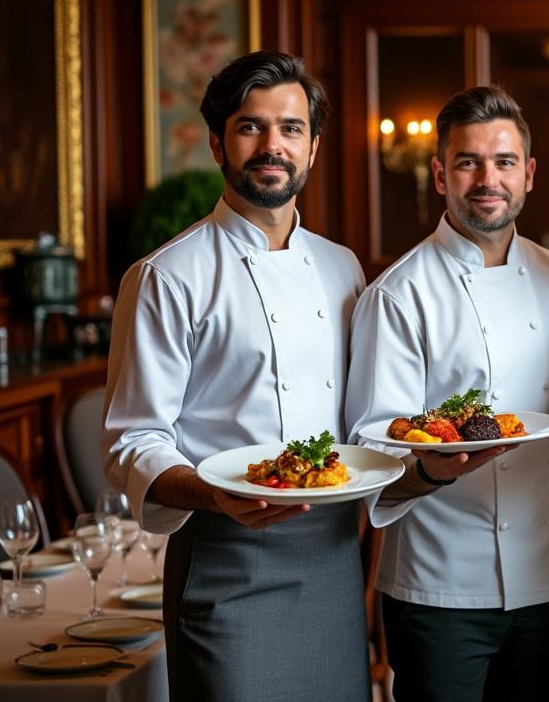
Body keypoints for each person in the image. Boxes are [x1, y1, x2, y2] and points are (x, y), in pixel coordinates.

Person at [102, 51, 369, 701]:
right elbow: (132, 441)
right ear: (218, 144)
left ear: (313, 147)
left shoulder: (344, 269)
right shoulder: (167, 274)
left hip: (335, 555)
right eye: (251, 127)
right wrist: (216, 494)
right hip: (224, 557)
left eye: (291, 128)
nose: (273, 145)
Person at [345, 86, 549, 702]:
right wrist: (433, 470)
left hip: (545, 576)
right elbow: (374, 451)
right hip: (438, 585)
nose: (488, 179)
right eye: (468, 162)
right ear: (439, 174)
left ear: (529, 174)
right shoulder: (399, 293)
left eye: (505, 162)